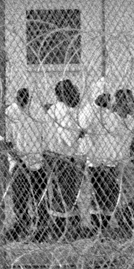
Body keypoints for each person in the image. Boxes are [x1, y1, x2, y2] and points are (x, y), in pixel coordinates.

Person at [77, 78, 134, 235]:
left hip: (112, 161)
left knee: (109, 195)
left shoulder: (110, 115)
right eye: (103, 95)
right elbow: (81, 133)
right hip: (97, 161)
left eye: (108, 96)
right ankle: (99, 228)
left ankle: (107, 227)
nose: (107, 99)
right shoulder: (90, 112)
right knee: (101, 195)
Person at [5, 87, 49, 240]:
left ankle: (40, 228)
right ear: (16, 99)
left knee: (39, 197)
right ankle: (23, 226)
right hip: (18, 163)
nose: (23, 102)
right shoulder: (9, 113)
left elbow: (46, 135)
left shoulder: (37, 111)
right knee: (20, 198)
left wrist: (43, 156)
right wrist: (16, 159)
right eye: (20, 99)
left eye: (25, 99)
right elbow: (7, 141)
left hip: (37, 161)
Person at [44, 79, 83, 239]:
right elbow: (69, 138)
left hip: (51, 155)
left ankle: (59, 228)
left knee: (58, 193)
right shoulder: (67, 112)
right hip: (64, 158)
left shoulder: (52, 110)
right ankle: (62, 231)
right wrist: (80, 133)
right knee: (66, 194)